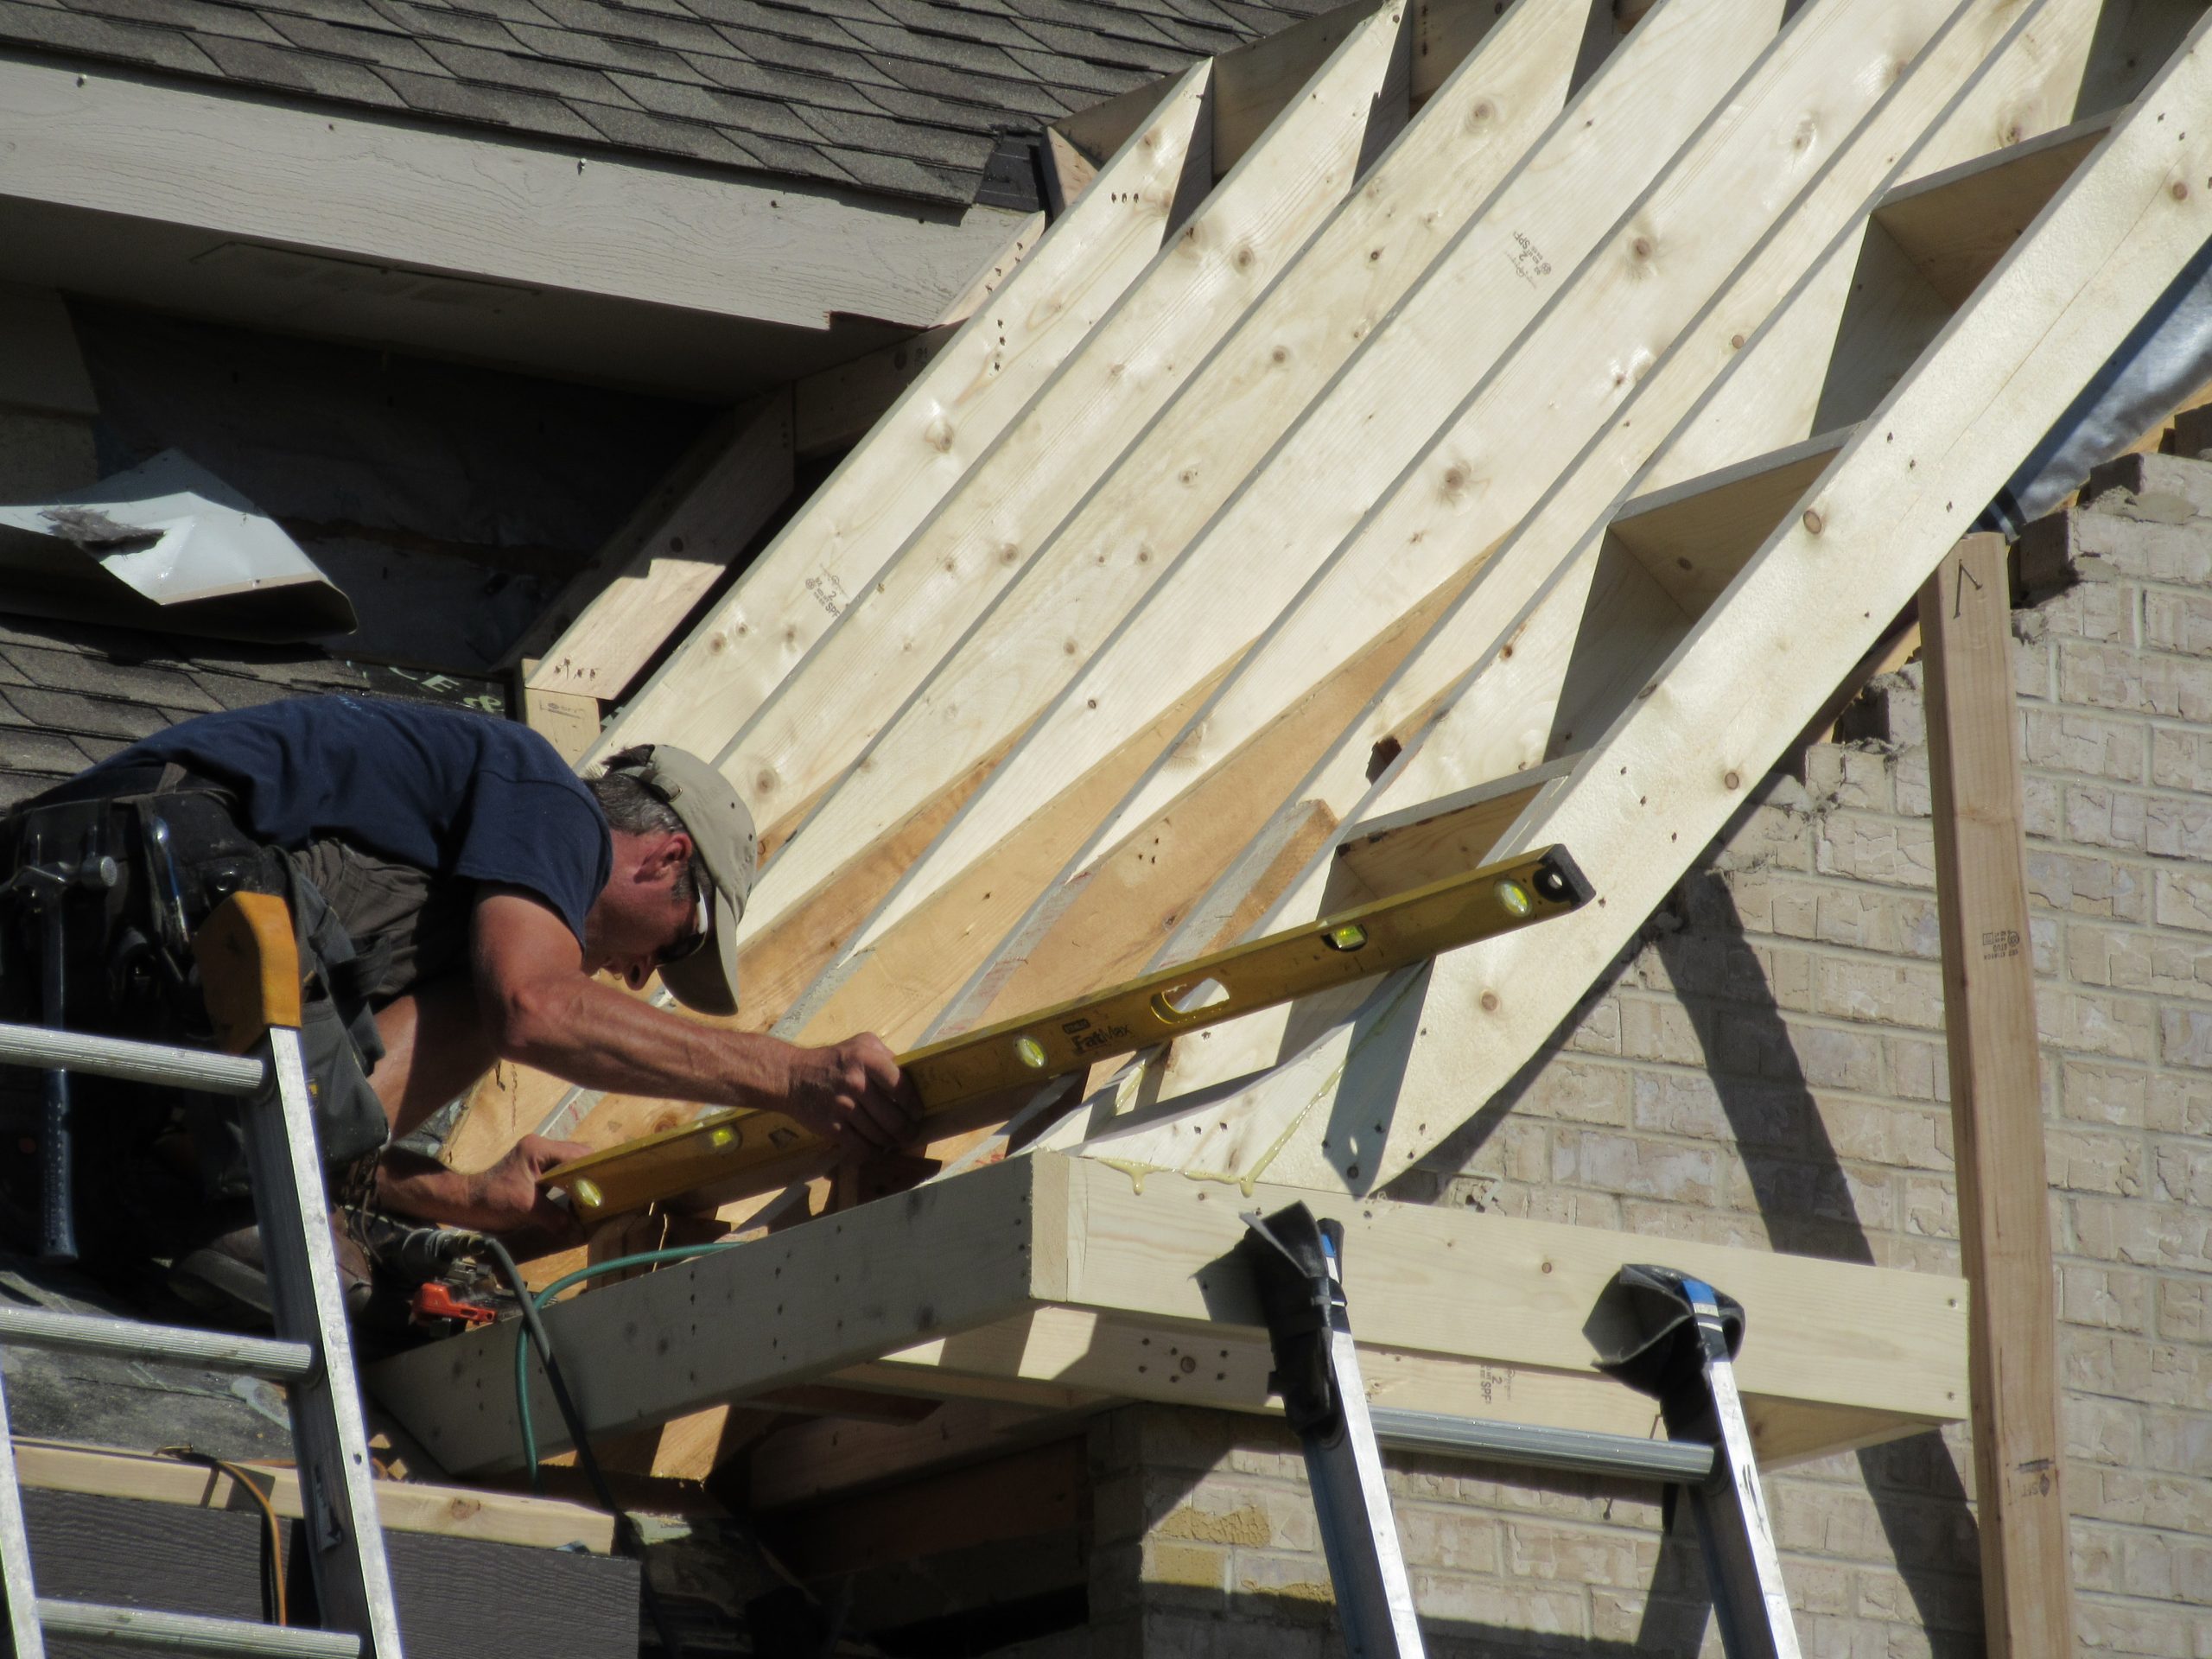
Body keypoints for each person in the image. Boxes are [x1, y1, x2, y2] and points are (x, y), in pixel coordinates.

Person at [0, 693, 917, 1300]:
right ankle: (226, 1192)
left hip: (75, 953)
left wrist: (457, 1194)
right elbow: (531, 1007)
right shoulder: (550, 800)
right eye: (674, 944)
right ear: (664, 858)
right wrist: (792, 1075)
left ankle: (208, 1182)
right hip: (142, 871)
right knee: (500, 999)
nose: (641, 978)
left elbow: (350, 1100)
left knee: (297, 1254)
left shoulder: (475, 843)